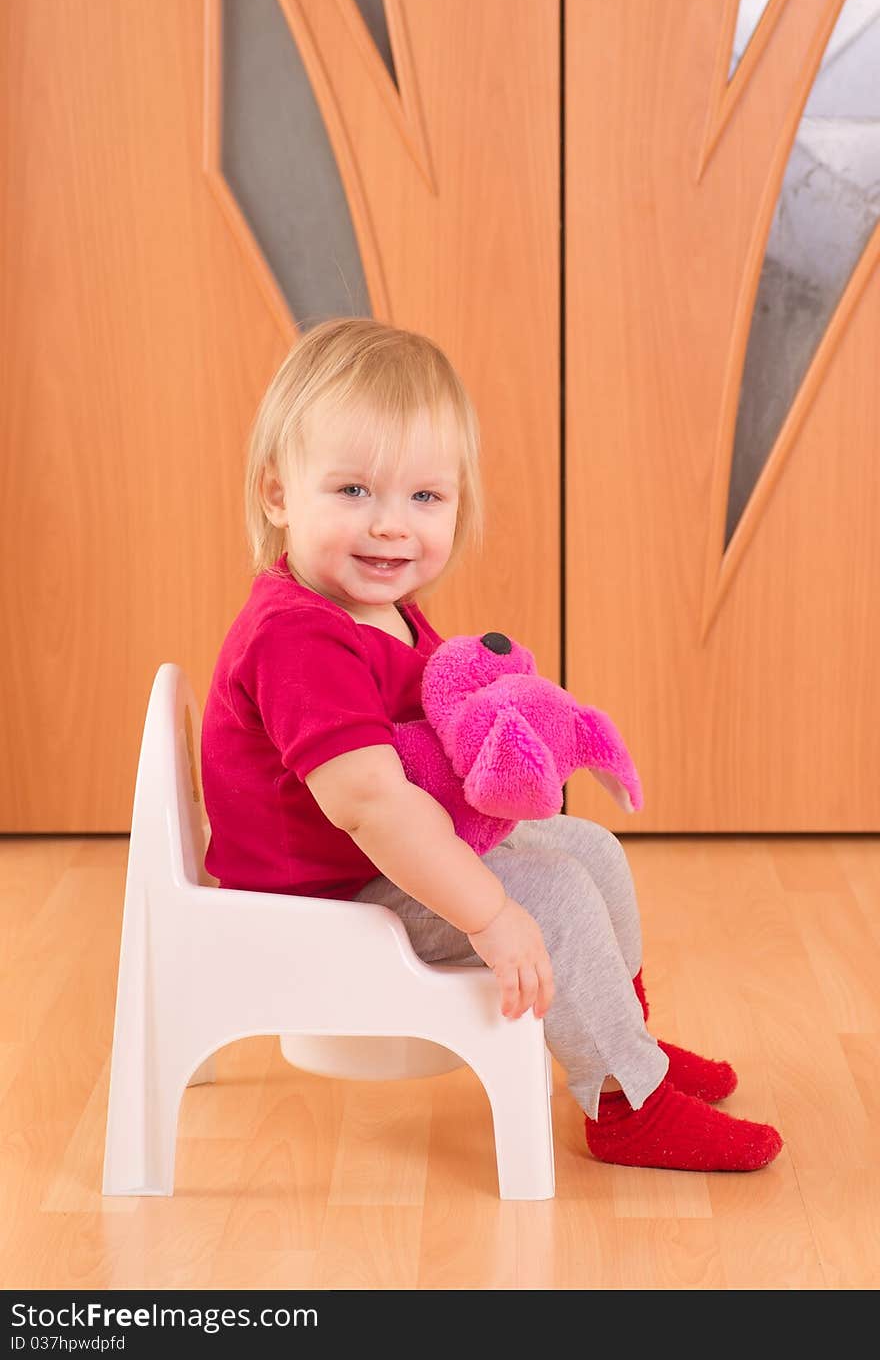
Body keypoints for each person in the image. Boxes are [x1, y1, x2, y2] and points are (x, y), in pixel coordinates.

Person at [201, 317, 783, 1172]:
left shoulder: (378, 606)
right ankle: (627, 1107)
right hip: (331, 889)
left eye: (424, 498)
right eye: (354, 491)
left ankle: (625, 1048)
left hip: (370, 861)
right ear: (279, 492)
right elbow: (370, 804)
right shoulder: (297, 636)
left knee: (591, 851)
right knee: (549, 892)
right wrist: (491, 913)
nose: (392, 527)